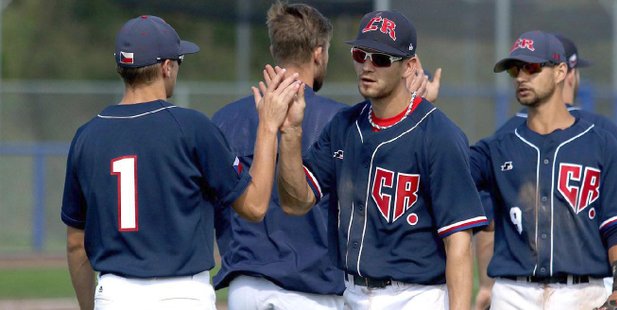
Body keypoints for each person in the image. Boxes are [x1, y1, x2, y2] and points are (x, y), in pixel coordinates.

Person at [62, 15, 301, 309]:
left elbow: (76, 244)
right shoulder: (191, 127)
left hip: (114, 294)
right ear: (166, 67)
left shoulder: (86, 136)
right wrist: (267, 126)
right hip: (182, 295)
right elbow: (254, 206)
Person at [274, 10, 488, 310]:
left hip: (415, 296)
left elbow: (459, 243)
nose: (367, 66)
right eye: (360, 54)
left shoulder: (438, 135)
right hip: (352, 294)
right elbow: (295, 202)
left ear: (409, 66)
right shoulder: (343, 126)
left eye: (382, 58)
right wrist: (292, 131)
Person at [471, 33, 617, 310]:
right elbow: (450, 179)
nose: (521, 77)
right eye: (515, 69)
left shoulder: (601, 142)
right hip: (513, 294)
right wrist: (419, 105)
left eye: (532, 67)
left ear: (562, 72)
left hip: (582, 294)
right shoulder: (496, 147)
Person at [211, 2, 347, 309]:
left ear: (275, 50)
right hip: (315, 292)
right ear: (318, 53)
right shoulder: (342, 122)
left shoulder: (224, 120)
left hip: (246, 289)